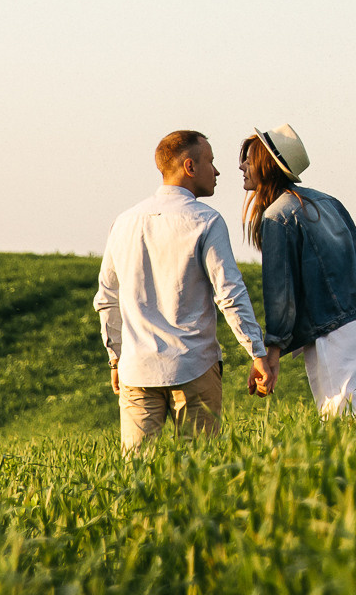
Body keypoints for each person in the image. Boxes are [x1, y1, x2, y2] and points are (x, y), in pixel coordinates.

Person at [94, 129, 278, 451]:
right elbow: (229, 293)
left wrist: (115, 358)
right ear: (190, 167)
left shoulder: (123, 222)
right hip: (194, 366)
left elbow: (107, 298)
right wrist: (256, 352)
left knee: (135, 475)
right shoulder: (206, 220)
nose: (218, 171)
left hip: (136, 369)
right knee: (198, 472)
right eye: (211, 161)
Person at [240, 123, 356, 415]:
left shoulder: (278, 216)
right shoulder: (326, 201)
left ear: (266, 166)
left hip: (338, 335)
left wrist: (273, 352)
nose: (242, 165)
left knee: (342, 426)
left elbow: (280, 293)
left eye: (249, 158)